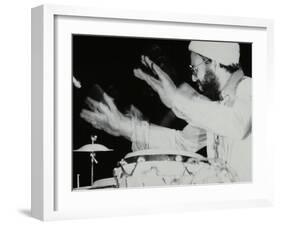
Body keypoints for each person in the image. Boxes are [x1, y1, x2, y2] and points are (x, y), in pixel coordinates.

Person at [80, 41, 251, 182]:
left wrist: (176, 99)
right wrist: (126, 127)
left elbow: (236, 124)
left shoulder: (251, 88)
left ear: (213, 62)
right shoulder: (216, 106)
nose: (193, 77)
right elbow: (182, 143)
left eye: (194, 69)